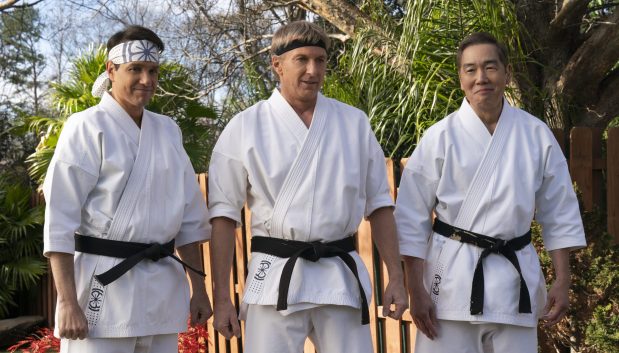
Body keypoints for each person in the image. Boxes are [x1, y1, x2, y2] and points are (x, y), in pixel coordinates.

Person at [208, 21, 408, 353]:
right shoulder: (245, 126)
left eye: (320, 60)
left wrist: (396, 280)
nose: (312, 70)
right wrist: (222, 298)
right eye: (301, 59)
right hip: (274, 277)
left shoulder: (353, 122)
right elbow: (223, 217)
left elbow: (380, 205)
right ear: (277, 64)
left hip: (339, 275)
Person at [394, 32, 587, 353]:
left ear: (507, 73)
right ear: (460, 78)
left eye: (490, 67)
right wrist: (416, 289)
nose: (480, 77)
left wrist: (563, 278)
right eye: (470, 69)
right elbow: (411, 218)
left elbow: (559, 211)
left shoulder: (535, 134)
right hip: (450, 281)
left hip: (514, 284)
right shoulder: (439, 137)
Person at [43, 25, 212, 353]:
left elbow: (189, 219)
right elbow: (59, 220)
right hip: (102, 292)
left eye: (152, 70)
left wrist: (200, 288)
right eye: (135, 69)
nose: (146, 80)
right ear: (111, 70)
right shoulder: (86, 127)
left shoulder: (167, 130)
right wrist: (66, 302)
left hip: (162, 290)